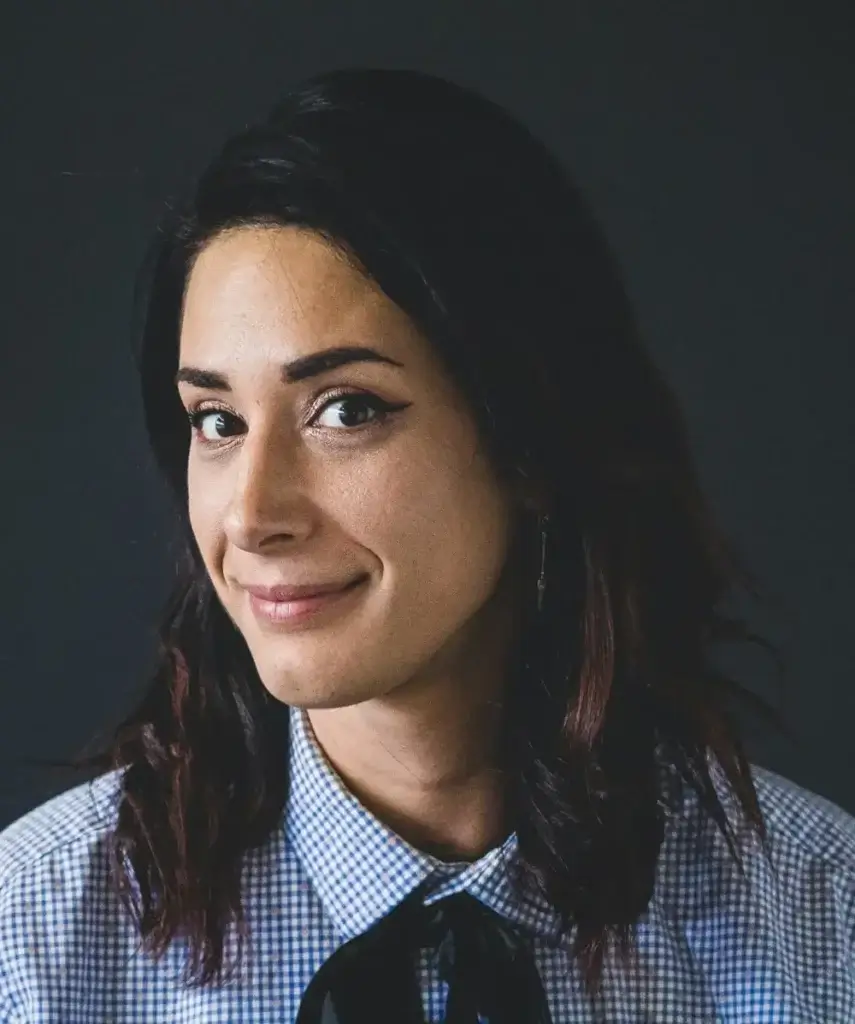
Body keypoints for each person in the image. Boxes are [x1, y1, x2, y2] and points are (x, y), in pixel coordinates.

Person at [0, 67, 853, 1024]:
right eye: (218, 421)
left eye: (345, 410)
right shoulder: (32, 948)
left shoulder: (820, 927)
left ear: (530, 440)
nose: (250, 515)